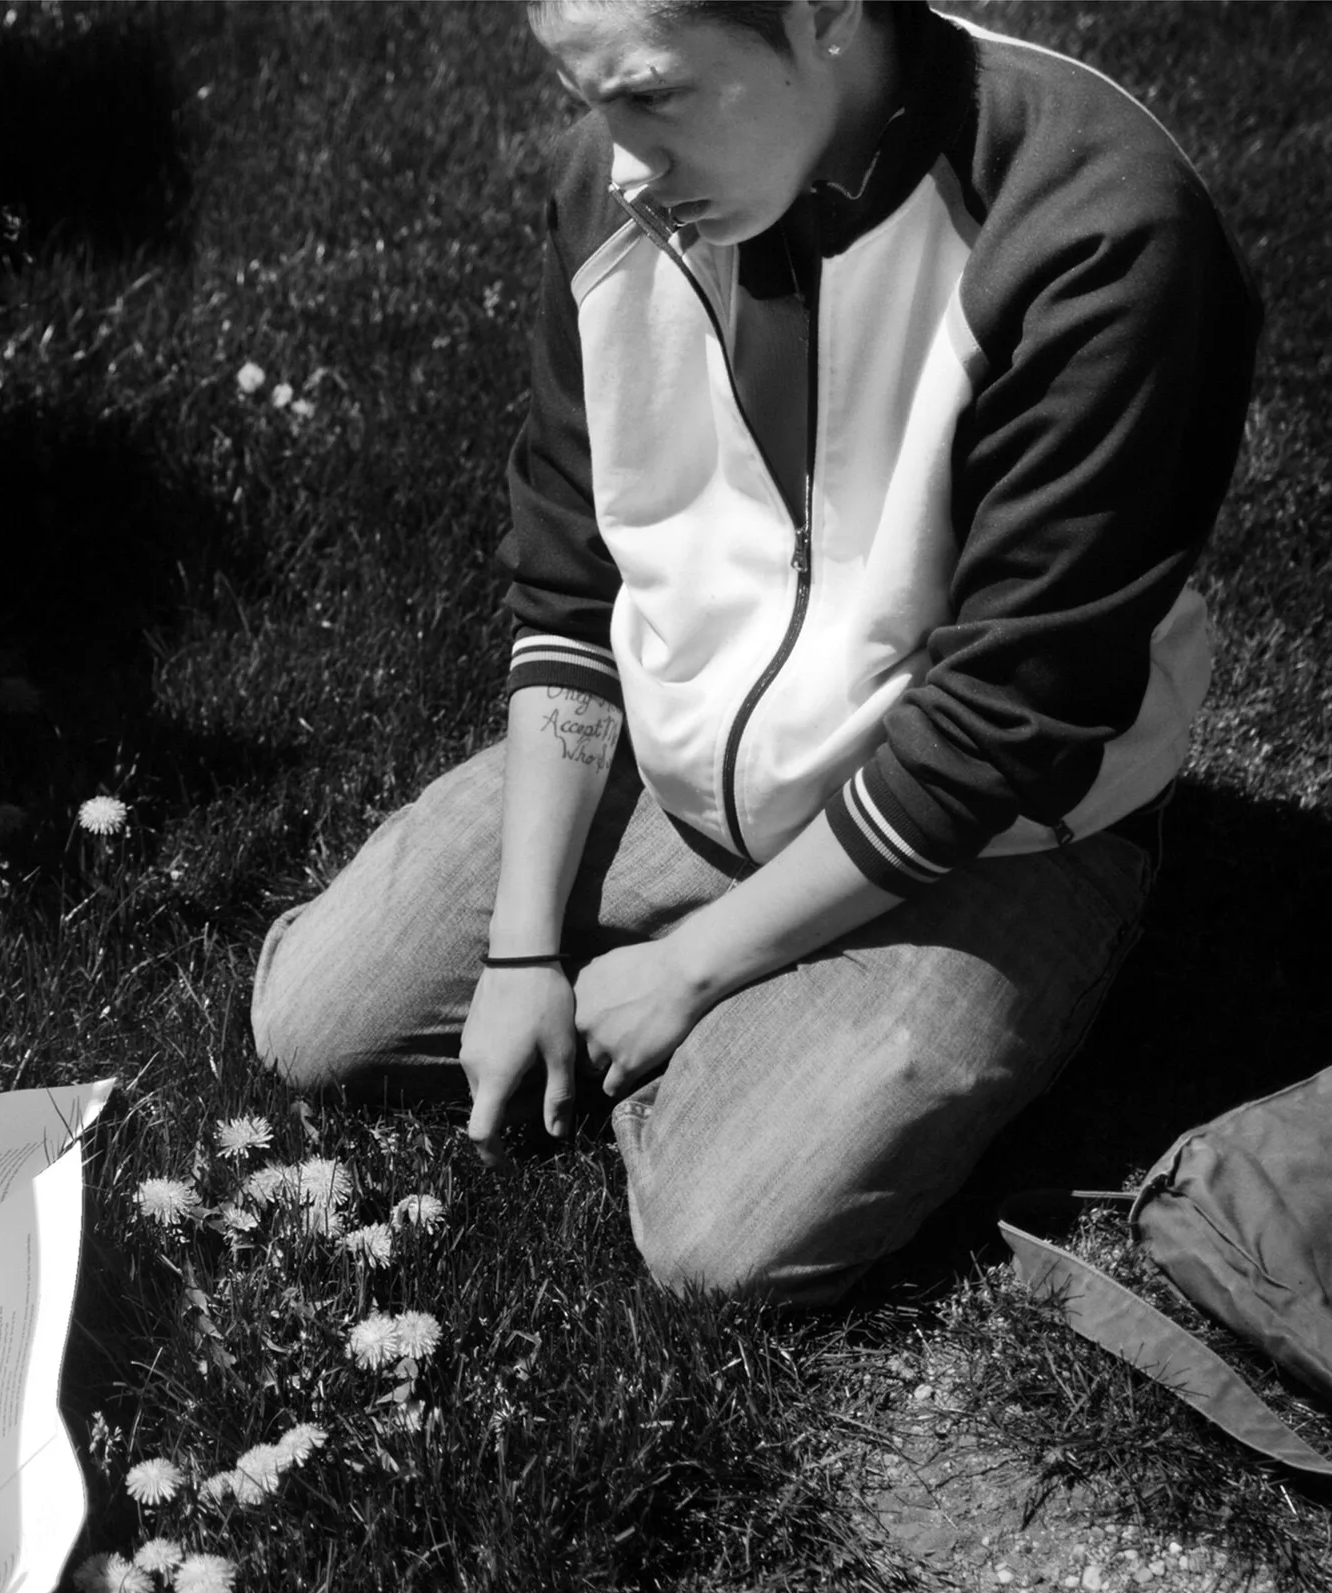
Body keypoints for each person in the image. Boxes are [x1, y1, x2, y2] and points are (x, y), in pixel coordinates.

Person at [248, 0, 1261, 1307]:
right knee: (310, 1026)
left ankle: (844, 1000)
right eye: (585, 95)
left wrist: (686, 966)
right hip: (674, 756)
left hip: (998, 831)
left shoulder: (1094, 228)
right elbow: (568, 574)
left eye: (654, 95)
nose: (614, 161)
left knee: (721, 1240)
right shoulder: (616, 191)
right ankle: (722, 1027)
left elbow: (1001, 722)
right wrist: (514, 951)